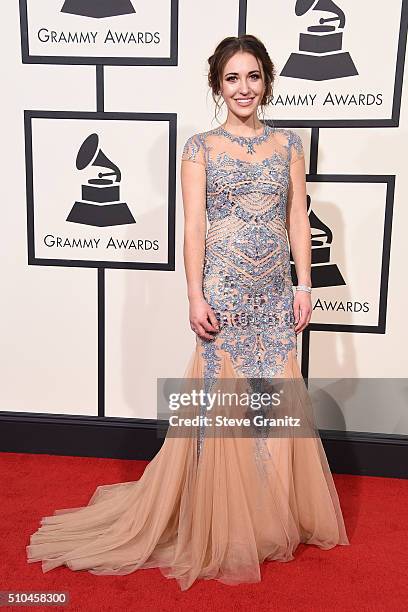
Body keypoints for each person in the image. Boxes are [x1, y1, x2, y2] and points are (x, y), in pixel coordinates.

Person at [26, 34, 349, 591]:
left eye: (253, 76)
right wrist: (195, 294)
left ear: (267, 80)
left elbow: (299, 216)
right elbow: (194, 226)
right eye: (232, 78)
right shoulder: (200, 148)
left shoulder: (291, 146)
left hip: (273, 291)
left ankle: (269, 517)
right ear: (216, 86)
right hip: (224, 288)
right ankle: (221, 523)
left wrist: (305, 285)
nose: (243, 88)